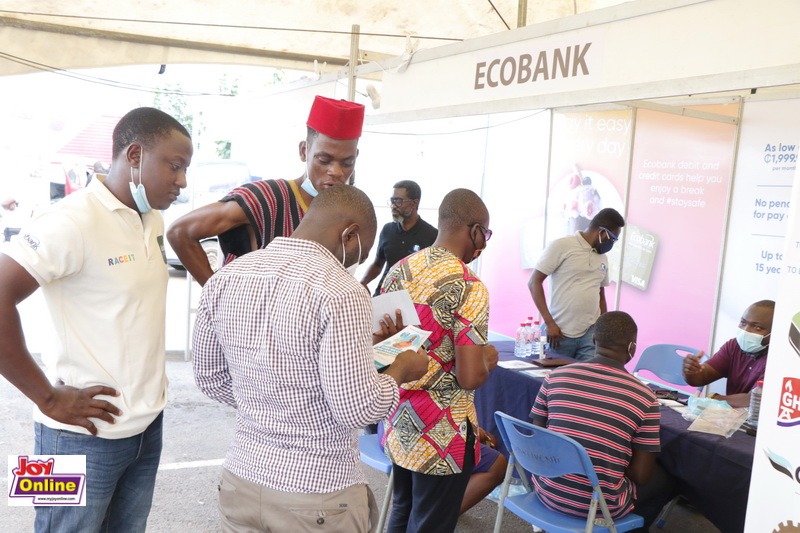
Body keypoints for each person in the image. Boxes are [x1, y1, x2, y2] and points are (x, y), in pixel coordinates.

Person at [191, 185, 428, 533]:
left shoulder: (226, 277)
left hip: (241, 478)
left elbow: (210, 377)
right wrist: (402, 368)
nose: (356, 261)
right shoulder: (342, 291)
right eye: (359, 253)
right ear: (351, 234)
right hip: (315, 492)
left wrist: (273, 402)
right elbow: (357, 408)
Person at [0, 107, 192, 532]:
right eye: (175, 166)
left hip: (145, 431)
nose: (182, 181)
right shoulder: (68, 220)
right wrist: (47, 398)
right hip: (73, 435)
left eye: (185, 169)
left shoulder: (153, 218)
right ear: (136, 154)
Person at [381, 188, 499, 533]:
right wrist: (488, 358)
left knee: (402, 511)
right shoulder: (469, 285)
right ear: (473, 229)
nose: (485, 242)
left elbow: (384, 353)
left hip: (399, 419)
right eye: (486, 234)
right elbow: (470, 377)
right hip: (442, 436)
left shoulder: (401, 270)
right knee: (430, 524)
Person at [167, 95, 365, 286]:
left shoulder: (348, 213)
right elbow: (180, 232)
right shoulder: (268, 198)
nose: (336, 172)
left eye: (347, 163)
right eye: (324, 160)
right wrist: (218, 294)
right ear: (304, 151)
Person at [530, 311, 676, 531]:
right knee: (665, 481)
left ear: (594, 341)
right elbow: (641, 476)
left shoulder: (555, 377)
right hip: (600, 506)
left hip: (547, 492)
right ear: (632, 348)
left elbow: (536, 438)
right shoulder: (645, 398)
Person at [528, 207, 625, 361]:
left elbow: (600, 296)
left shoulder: (602, 258)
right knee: (556, 380)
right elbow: (534, 282)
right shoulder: (561, 246)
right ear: (602, 233)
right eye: (613, 238)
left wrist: (602, 331)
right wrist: (549, 323)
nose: (612, 243)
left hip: (590, 335)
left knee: (585, 380)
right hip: (559, 332)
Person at [682, 300, 775, 408]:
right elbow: (701, 377)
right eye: (743, 323)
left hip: (755, 422)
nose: (745, 331)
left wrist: (715, 398)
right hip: (728, 418)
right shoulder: (734, 346)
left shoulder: (778, 358)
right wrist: (690, 371)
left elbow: (754, 401)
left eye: (757, 327)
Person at [360, 180, 438, 295]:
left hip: (412, 301)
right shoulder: (387, 230)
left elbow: (433, 276)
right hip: (383, 294)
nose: (393, 206)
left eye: (398, 201)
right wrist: (362, 283)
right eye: (392, 201)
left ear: (414, 203)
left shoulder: (432, 235)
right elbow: (378, 264)